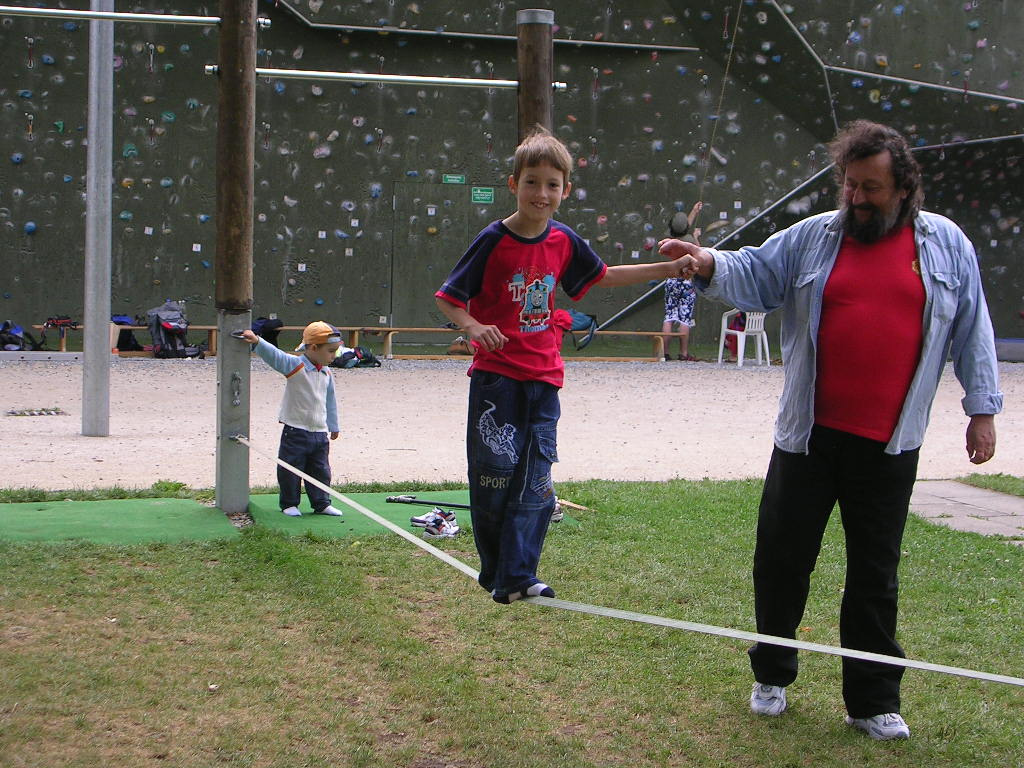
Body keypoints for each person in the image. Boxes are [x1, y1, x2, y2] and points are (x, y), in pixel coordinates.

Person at [659, 120, 1002, 740]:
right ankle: (771, 673)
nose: (857, 197)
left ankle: (871, 701)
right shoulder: (815, 237)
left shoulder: (948, 246)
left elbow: (973, 329)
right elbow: (756, 273)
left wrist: (982, 410)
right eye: (851, 184)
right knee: (782, 560)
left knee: (875, 573)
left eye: (871, 187)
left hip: (891, 443)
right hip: (808, 438)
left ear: (904, 189)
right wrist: (705, 261)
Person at [434, 126, 697, 604]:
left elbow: (604, 275)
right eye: (532, 182)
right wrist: (472, 328)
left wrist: (670, 268)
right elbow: (450, 298)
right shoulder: (492, 240)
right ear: (514, 184)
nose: (542, 193)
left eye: (552, 184)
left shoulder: (564, 240)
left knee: (537, 480)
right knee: (495, 474)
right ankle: (497, 572)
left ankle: (520, 575)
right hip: (497, 379)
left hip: (544, 378)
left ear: (566, 191)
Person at [235, 321, 343, 518]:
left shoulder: (327, 372)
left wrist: (334, 425)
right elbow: (276, 356)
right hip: (296, 430)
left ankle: (322, 503)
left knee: (321, 471)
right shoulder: (296, 365)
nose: (334, 355)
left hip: (319, 433)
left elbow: (330, 401)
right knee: (290, 468)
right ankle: (289, 503)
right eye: (330, 351)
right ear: (313, 348)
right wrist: (257, 341)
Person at [662, 202, 702, 361]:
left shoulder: (668, 241)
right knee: (684, 318)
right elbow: (699, 254)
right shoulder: (690, 242)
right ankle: (683, 353)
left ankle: (664, 353)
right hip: (686, 282)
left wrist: (693, 211)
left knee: (669, 316)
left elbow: (681, 228)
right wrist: (697, 238)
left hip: (671, 281)